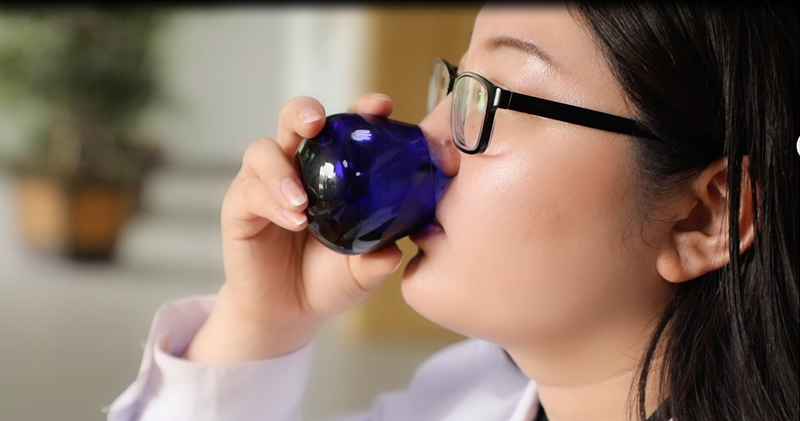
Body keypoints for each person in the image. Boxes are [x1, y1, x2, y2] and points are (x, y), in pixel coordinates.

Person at [105, 2, 799, 421]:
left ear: (704, 217)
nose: (430, 138)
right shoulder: (458, 396)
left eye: (491, 97)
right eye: (456, 83)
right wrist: (261, 321)